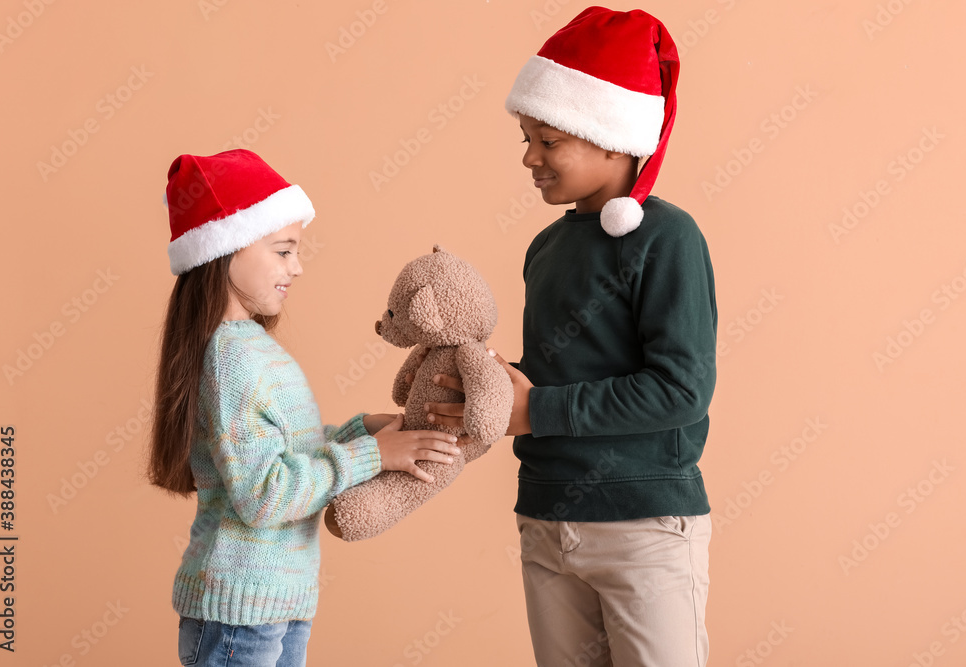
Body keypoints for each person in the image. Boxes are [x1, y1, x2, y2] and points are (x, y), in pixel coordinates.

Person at [424, 8, 718, 666]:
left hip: (644, 527)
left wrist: (537, 410)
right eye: (527, 137)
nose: (529, 157)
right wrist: (491, 389)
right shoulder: (546, 248)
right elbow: (557, 377)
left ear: (610, 137)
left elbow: (681, 390)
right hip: (547, 520)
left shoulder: (669, 239)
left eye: (548, 140)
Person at [146, 148, 463, 667]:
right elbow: (264, 496)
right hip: (239, 617)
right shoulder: (233, 358)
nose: (298, 266)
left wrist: (362, 430)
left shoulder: (249, 347)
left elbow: (285, 453)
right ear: (228, 248)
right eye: (283, 250)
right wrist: (370, 456)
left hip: (274, 604)